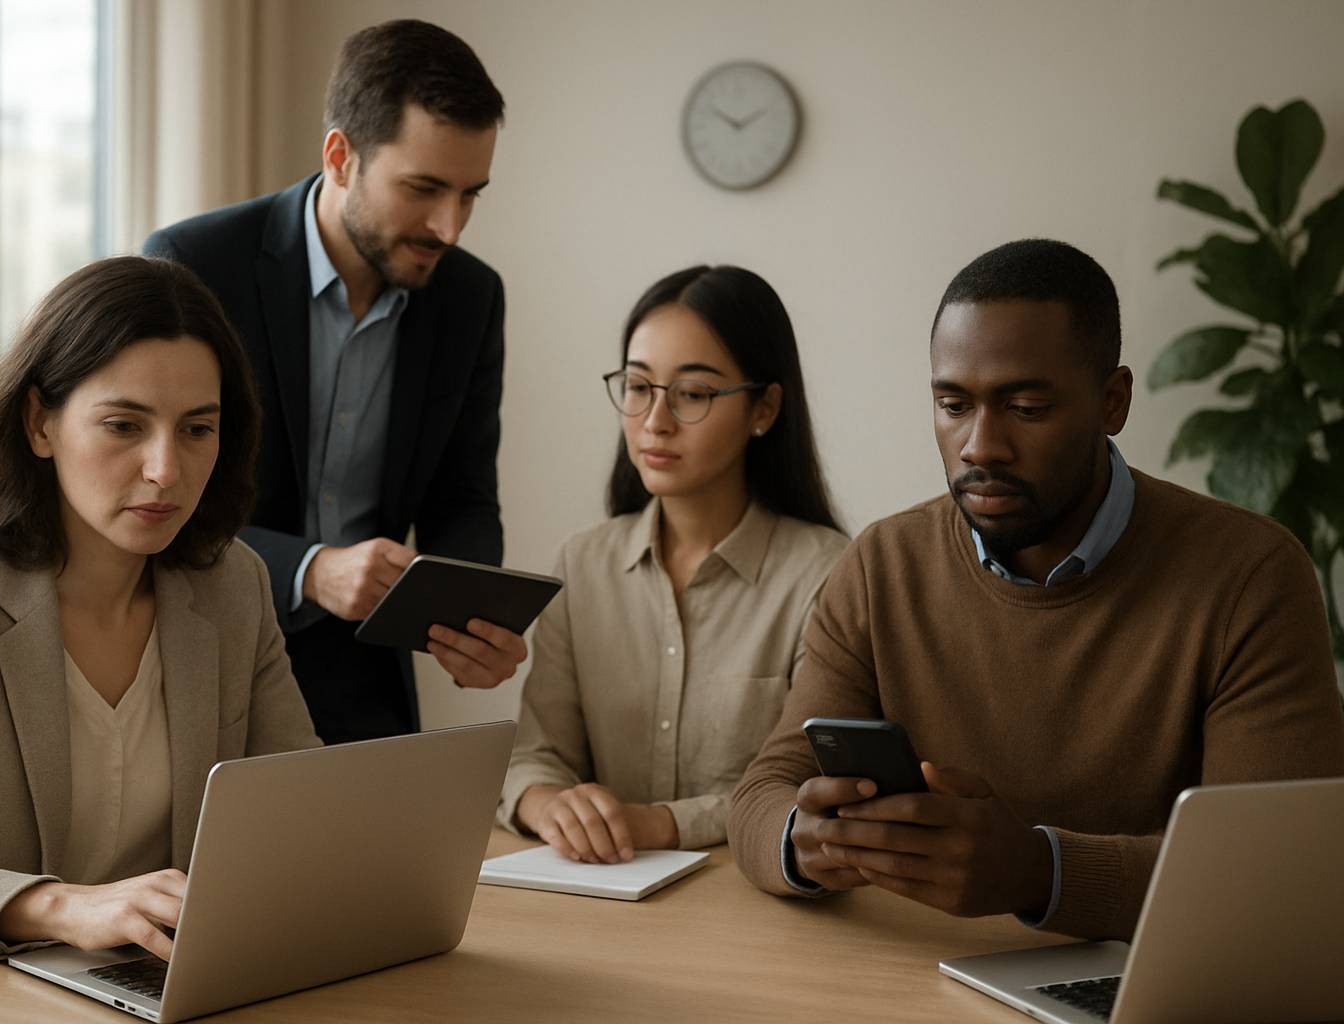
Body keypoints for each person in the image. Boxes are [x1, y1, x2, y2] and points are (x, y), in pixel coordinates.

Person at [728, 238, 1344, 940]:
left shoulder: (1250, 577)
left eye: (1024, 407)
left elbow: (1276, 875)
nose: (980, 446)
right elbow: (761, 795)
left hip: (1149, 986)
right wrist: (808, 843)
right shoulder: (882, 565)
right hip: (925, 975)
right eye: (953, 404)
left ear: (1111, 402)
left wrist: (1039, 872)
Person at [0, 256, 323, 961]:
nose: (165, 469)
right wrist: (58, 907)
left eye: (198, 429)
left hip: (167, 981)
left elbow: (305, 810)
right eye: (123, 425)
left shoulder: (234, 583)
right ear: (39, 424)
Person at [143, 19, 524, 745]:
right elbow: (157, 488)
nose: (450, 227)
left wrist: (472, 613)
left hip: (369, 680)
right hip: (202, 659)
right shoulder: (194, 264)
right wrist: (309, 570)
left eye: (471, 194)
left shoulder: (472, 297)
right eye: (424, 189)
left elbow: (464, 496)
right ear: (341, 157)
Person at [499, 266, 851, 861]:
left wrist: (659, 824)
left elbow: (809, 790)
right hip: (601, 895)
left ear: (764, 408)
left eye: (693, 394)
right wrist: (544, 801)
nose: (655, 421)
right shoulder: (582, 564)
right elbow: (538, 751)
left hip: (758, 904)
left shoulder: (828, 573)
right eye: (638, 387)